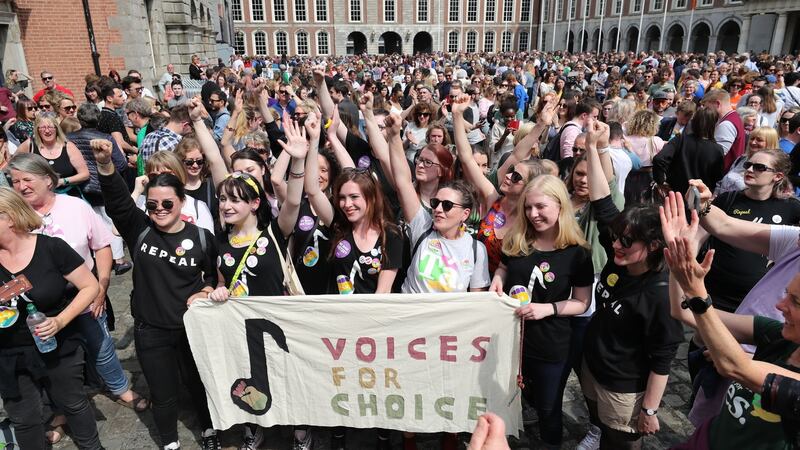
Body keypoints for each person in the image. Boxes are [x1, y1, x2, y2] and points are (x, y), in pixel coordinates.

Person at [90, 138, 220, 449]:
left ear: (181, 201)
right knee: (163, 394)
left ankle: (210, 431)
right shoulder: (142, 230)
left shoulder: (201, 238)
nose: (159, 210)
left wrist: (207, 289)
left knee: (200, 386)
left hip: (191, 328)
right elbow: (119, 204)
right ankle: (169, 442)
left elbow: (216, 277)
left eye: (166, 204)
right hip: (151, 331)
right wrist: (106, 166)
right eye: (152, 204)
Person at [8, 154, 149, 442]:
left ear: (48, 179)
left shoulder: (75, 207)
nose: (20, 186)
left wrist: (101, 286)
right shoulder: (10, 217)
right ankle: (60, 412)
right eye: (15, 181)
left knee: (100, 346)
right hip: (36, 308)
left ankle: (119, 387)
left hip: (82, 294)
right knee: (47, 363)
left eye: (27, 179)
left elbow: (102, 247)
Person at [660, 193, 800, 450]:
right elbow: (684, 312)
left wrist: (695, 290)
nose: (780, 307)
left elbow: (735, 366)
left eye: (795, 301)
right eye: (785, 294)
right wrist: (681, 255)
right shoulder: (777, 334)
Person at [579, 119, 683, 450]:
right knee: (599, 426)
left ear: (653, 247)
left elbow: (663, 358)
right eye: (617, 238)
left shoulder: (658, 295)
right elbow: (601, 200)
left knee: (620, 443)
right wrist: (594, 148)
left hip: (624, 387)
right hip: (594, 368)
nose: (616, 245)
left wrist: (650, 410)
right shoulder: (623, 254)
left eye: (627, 241)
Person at [207, 116, 308, 450]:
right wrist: (218, 290)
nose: (227, 205)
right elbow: (223, 281)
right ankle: (255, 427)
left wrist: (298, 159)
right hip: (242, 329)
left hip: (278, 326)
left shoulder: (274, 234)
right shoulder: (221, 242)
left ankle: (299, 430)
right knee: (249, 378)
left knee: (287, 378)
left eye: (236, 199)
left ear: (254, 203)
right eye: (223, 199)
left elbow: (293, 201)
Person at [489, 174, 593, 447]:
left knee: (548, 408)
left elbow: (582, 302)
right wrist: (499, 278)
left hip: (550, 343)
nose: (533, 214)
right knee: (514, 395)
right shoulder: (518, 237)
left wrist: (548, 308)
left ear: (560, 206)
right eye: (528, 207)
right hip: (511, 339)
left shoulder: (577, 252)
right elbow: (504, 265)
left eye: (540, 207)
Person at [0, 187, 102, 450]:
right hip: (9, 354)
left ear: (9, 217)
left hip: (58, 343)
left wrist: (59, 321)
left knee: (73, 403)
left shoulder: (51, 247)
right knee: (24, 419)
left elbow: (90, 286)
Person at [653, 106, 724, 196]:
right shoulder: (717, 150)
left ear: (694, 122)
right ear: (714, 125)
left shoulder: (680, 140)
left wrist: (661, 183)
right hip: (698, 196)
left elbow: (658, 159)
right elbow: (717, 178)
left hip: (675, 193)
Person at [15, 113, 90, 197]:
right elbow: (14, 165)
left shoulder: (68, 146)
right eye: (43, 127)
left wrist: (62, 181)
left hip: (68, 195)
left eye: (50, 127)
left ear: (56, 129)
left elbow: (85, 174)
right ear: (37, 130)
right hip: (39, 197)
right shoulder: (29, 145)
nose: (47, 131)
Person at [716, 126, 780, 195]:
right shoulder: (741, 159)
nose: (753, 142)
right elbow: (723, 181)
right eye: (752, 138)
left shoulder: (771, 167)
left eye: (759, 140)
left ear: (770, 143)